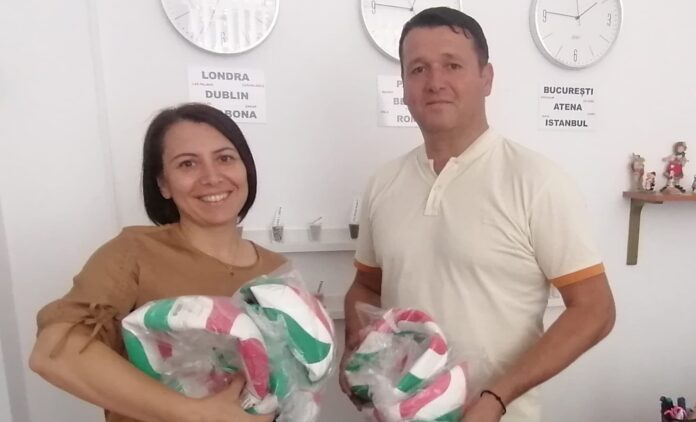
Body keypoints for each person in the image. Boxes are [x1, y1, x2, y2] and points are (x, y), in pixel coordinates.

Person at [340, 7, 615, 422]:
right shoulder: (383, 183)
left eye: (452, 65)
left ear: (486, 78)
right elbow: (366, 286)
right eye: (418, 69)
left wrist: (496, 398)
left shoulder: (536, 181)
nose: (435, 82)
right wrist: (355, 349)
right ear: (404, 86)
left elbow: (595, 310)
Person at [29, 103, 284, 422]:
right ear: (163, 184)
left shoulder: (277, 270)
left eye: (225, 158)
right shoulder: (133, 253)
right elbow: (55, 352)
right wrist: (195, 414)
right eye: (188, 164)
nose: (212, 177)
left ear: (245, 169)